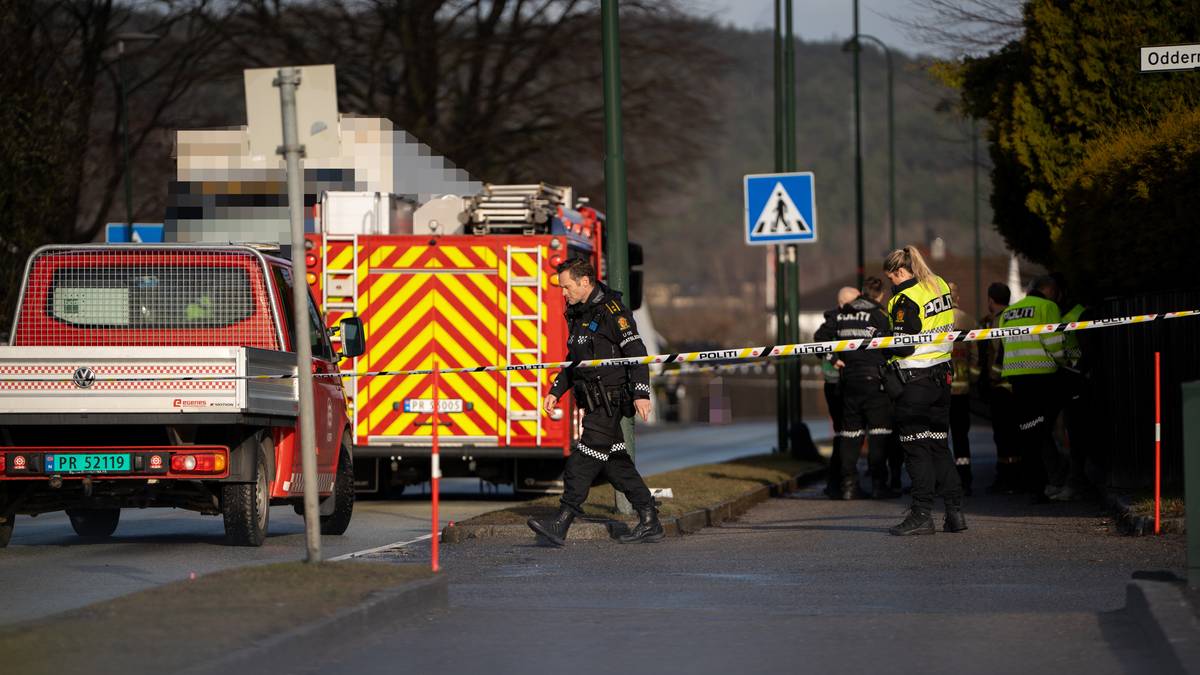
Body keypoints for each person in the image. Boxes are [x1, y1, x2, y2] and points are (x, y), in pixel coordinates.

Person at [527, 257, 661, 546]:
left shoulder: (613, 311)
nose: (563, 293)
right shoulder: (578, 313)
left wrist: (640, 393)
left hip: (609, 401)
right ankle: (650, 519)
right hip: (591, 400)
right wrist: (555, 390)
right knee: (615, 465)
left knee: (582, 459)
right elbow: (573, 360)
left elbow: (637, 352)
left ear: (584, 281)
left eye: (567, 287)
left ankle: (562, 522)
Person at [881, 246, 966, 535]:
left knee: (916, 450)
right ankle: (955, 513)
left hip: (915, 381)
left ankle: (921, 515)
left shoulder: (904, 298)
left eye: (890, 277)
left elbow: (905, 345)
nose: (890, 283)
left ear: (900, 272)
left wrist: (882, 342)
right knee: (939, 447)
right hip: (941, 378)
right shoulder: (938, 283)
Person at [998, 275, 1068, 502]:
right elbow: (1055, 344)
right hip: (1042, 379)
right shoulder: (1048, 307)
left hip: (1017, 380)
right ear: (1049, 290)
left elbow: (1003, 346)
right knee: (1041, 432)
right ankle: (1049, 482)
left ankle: (1033, 484)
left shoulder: (1009, 312)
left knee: (1028, 431)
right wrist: (1068, 364)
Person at [829, 277, 898, 499]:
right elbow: (891, 345)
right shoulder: (879, 314)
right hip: (874, 380)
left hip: (849, 380)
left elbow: (822, 337)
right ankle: (879, 484)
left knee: (851, 435)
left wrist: (833, 359)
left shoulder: (843, 314)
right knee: (879, 433)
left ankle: (849, 486)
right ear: (879, 295)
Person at [977, 282, 1021, 494]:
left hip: (1002, 386)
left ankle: (1008, 478)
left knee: (1004, 435)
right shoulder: (1013, 316)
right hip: (1015, 384)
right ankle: (1012, 476)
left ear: (991, 300)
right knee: (1010, 434)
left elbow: (1000, 351)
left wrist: (991, 376)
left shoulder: (998, 320)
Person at [814, 288, 856, 499]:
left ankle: (840, 481)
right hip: (836, 383)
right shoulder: (835, 320)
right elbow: (819, 341)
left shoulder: (845, 319)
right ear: (843, 303)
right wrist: (833, 359)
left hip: (843, 382)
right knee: (844, 433)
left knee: (846, 433)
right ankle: (837, 482)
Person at [947, 282, 975, 495]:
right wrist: (973, 378)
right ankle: (964, 479)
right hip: (962, 388)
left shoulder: (934, 321)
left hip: (940, 388)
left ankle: (943, 480)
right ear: (957, 298)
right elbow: (976, 355)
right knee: (960, 436)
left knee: (937, 436)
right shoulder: (968, 320)